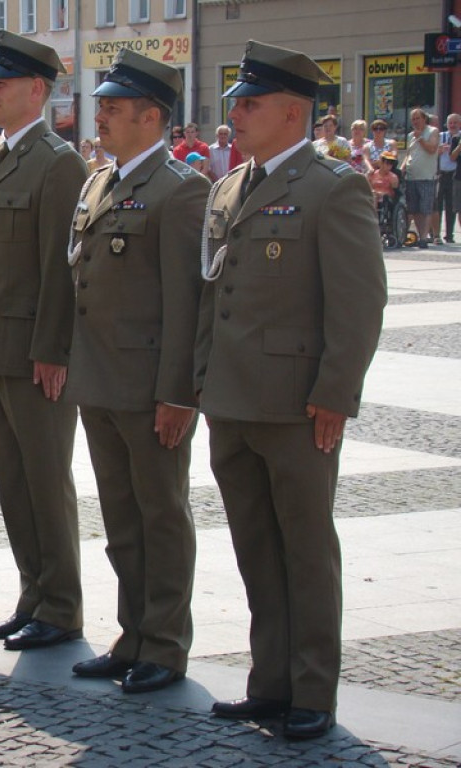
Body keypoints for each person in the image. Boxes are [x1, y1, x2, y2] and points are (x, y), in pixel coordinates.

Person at [196, 40, 387, 741]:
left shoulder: (331, 186)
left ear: (291, 111)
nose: (236, 114)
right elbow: (210, 296)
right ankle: (268, 682)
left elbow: (360, 299)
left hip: (296, 404)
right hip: (232, 402)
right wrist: (197, 384)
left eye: (249, 103)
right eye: (237, 103)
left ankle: (312, 689)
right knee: (255, 549)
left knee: (305, 550)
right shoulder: (228, 186)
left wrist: (336, 391)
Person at [66, 48, 208, 693]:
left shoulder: (181, 191)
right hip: (99, 380)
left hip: (149, 386)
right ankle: (131, 635)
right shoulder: (101, 181)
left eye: (114, 109)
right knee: (122, 520)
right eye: (100, 107)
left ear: (153, 117)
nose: (101, 118)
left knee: (161, 515)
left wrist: (178, 393)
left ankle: (166, 643)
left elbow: (187, 303)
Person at [0, 30, 88, 650]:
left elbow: (62, 267)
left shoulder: (58, 163)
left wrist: (53, 348)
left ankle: (60, 606)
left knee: (44, 479)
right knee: (11, 480)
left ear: (38, 89)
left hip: (32, 353)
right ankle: (32, 592)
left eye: (3, 84)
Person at [403, 108, 438, 248]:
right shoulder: (410, 135)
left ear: (424, 119)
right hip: (412, 176)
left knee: (426, 208)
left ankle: (424, 237)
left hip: (426, 176)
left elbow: (432, 149)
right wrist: (402, 167)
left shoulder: (432, 131)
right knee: (415, 209)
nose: (416, 121)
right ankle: (420, 235)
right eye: (413, 119)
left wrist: (421, 138)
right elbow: (408, 154)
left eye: (418, 118)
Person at [434, 113, 460, 243]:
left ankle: (449, 235)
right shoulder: (440, 136)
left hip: (455, 175)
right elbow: (433, 153)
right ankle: (436, 234)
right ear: (447, 124)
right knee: (437, 205)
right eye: (450, 123)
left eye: (455, 122)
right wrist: (439, 150)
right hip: (441, 173)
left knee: (452, 206)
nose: (453, 125)